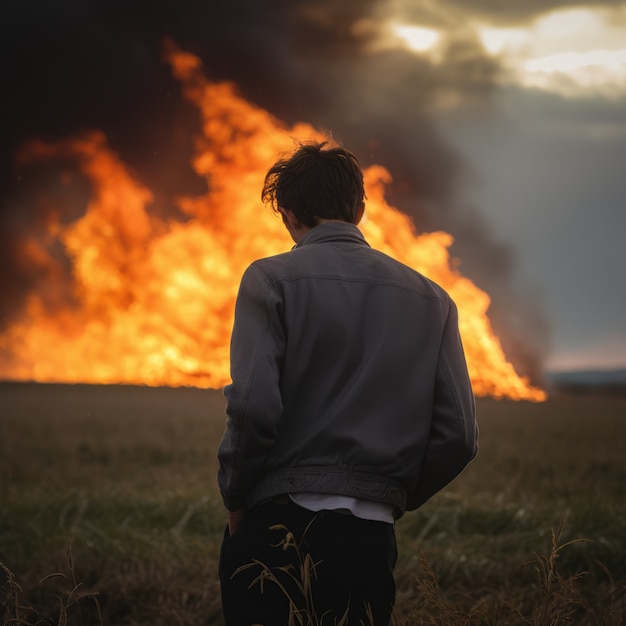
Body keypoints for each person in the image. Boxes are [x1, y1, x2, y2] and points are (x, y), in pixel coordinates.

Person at [217, 140, 478, 625]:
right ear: (360, 209)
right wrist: (388, 492)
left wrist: (235, 499)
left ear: (288, 214)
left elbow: (252, 408)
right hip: (369, 540)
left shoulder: (270, 280)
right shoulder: (434, 299)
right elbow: (459, 437)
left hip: (275, 524)